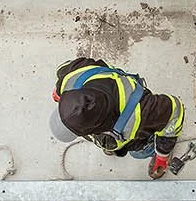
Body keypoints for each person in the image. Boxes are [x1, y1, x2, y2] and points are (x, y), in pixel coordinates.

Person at [50, 56, 186, 179]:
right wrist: (59, 89)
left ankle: (151, 149)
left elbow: (175, 111)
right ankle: (110, 146)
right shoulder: (74, 77)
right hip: (107, 114)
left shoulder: (139, 114)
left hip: (131, 128)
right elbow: (63, 68)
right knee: (111, 144)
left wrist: (162, 154)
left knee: (139, 153)